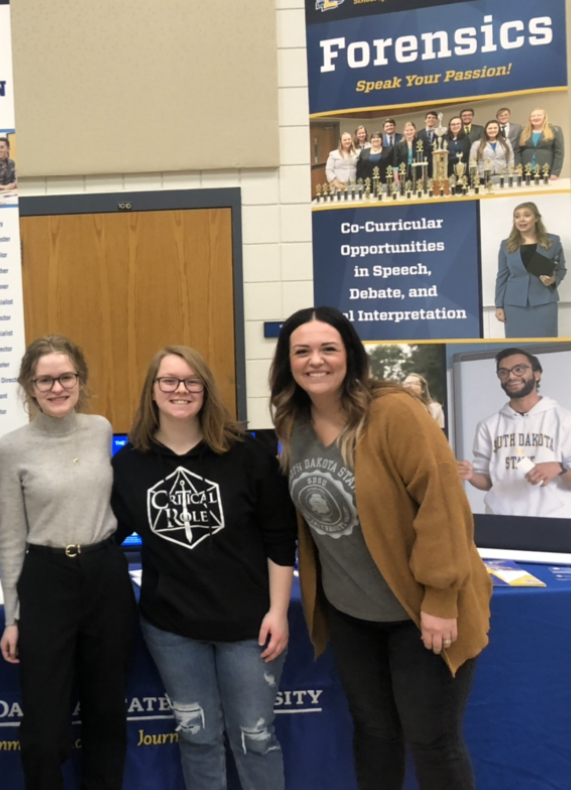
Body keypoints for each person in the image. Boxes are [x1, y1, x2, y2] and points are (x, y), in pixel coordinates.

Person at [270, 307, 490, 790]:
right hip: (352, 614)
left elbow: (444, 507)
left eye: (328, 348)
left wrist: (439, 597)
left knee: (432, 741)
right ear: (287, 362)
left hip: (419, 612)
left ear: (350, 354)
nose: (316, 361)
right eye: (302, 351)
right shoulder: (294, 423)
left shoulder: (393, 413)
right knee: (374, 734)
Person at [112, 346, 295, 790]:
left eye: (192, 381)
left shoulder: (245, 455)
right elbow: (103, 536)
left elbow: (279, 538)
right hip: (172, 628)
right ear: (152, 392)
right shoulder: (128, 465)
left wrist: (278, 611)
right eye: (169, 381)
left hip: (249, 625)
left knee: (256, 738)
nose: (181, 390)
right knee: (198, 738)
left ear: (206, 391)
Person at [0, 335, 134, 790]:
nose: (57, 387)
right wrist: (11, 615)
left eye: (66, 377)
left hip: (104, 574)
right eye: (45, 380)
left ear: (80, 380)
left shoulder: (99, 429)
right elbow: (12, 536)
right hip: (46, 579)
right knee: (43, 724)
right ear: (29, 387)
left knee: (106, 712)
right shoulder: (12, 447)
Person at [459, 348, 571, 518]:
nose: (511, 377)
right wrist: (471, 475)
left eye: (519, 369)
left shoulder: (565, 419)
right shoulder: (488, 426)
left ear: (537, 374)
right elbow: (488, 482)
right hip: (501, 519)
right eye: (504, 372)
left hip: (555, 520)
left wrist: (560, 468)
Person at [495, 201, 565, 338]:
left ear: (536, 218)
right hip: (514, 305)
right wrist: (499, 305)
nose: (521, 220)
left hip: (544, 303)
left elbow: (561, 269)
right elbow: (502, 276)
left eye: (526, 215)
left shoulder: (553, 242)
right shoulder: (506, 245)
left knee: (546, 344)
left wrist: (553, 279)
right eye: (517, 216)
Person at [515, 107, 564, 179]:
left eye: (539, 115)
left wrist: (555, 172)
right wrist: (518, 167)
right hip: (526, 171)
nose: (535, 117)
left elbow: (559, 153)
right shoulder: (523, 131)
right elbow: (517, 151)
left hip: (546, 170)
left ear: (545, 117)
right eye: (533, 116)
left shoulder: (555, 130)